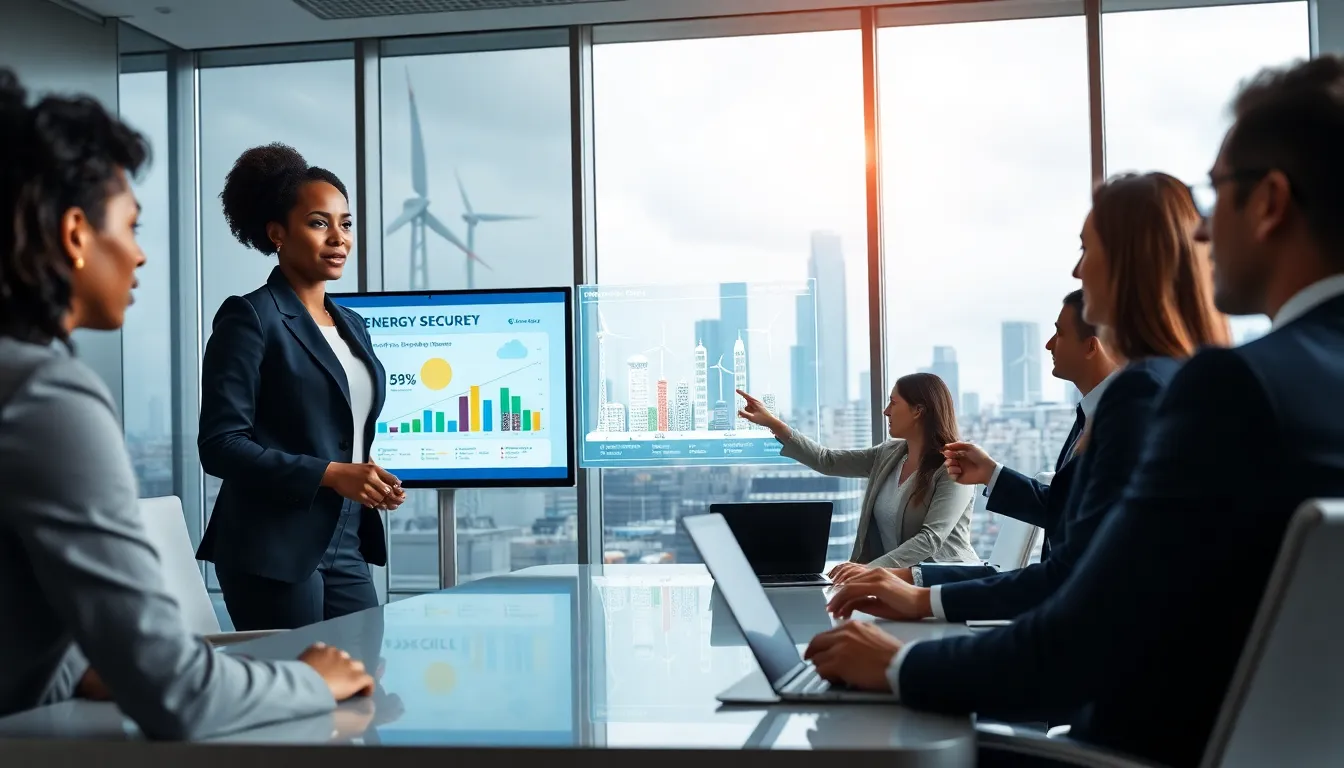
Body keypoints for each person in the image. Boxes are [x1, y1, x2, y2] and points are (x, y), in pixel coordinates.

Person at [800, 55, 1344, 767]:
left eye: (1218, 196)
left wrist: (898, 667)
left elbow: (1079, 640)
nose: (1203, 234)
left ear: (1271, 202)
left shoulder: (1230, 389)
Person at [0, 69, 371, 739]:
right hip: (276, 553)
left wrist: (82, 670)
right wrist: (309, 681)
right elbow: (178, 695)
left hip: (341, 541)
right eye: (132, 227)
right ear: (78, 234)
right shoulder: (44, 396)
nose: (141, 256)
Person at [826, 171, 1229, 624]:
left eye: (1085, 249)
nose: (1078, 270)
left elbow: (1074, 584)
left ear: (1126, 263)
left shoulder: (1140, 396)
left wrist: (910, 638)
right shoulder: (1165, 388)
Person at [197, 143, 404, 631]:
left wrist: (365, 475)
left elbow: (331, 427)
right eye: (318, 222)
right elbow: (220, 446)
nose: (338, 238)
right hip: (272, 547)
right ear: (277, 233)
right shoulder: (250, 317)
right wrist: (331, 473)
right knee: (304, 695)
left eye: (346, 223)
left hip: (346, 538)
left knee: (364, 684)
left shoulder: (351, 323)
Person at [906, 289, 1119, 587]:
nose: (1048, 345)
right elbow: (1064, 507)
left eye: (1059, 333)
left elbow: (1070, 520)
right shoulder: (1088, 414)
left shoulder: (1121, 421)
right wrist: (991, 474)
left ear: (1091, 347)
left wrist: (919, 594)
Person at [736, 372, 978, 574]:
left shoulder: (954, 466)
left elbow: (931, 539)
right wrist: (772, 423)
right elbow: (827, 461)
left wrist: (869, 571)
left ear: (918, 411)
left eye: (893, 403)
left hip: (946, 584)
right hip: (897, 585)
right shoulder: (889, 454)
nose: (886, 411)